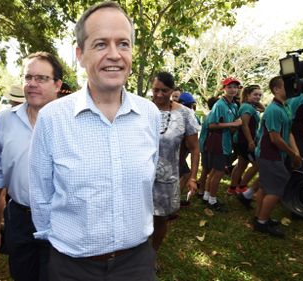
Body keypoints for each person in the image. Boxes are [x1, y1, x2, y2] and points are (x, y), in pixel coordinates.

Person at [28, 2, 161, 280]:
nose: (114, 55)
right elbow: (41, 195)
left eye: (123, 44)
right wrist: (65, 243)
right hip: (72, 267)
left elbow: (148, 181)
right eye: (101, 44)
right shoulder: (52, 118)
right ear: (80, 54)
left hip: (136, 263)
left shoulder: (149, 114)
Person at [0, 51, 63, 281]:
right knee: (22, 274)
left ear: (57, 84)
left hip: (58, 217)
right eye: (28, 77)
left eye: (41, 78)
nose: (32, 84)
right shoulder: (5, 119)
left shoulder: (72, 123)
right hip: (18, 217)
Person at [150, 72, 199, 257]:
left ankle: (152, 254)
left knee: (160, 219)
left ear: (173, 90)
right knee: (136, 218)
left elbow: (195, 148)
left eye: (164, 90)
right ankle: (135, 256)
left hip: (166, 179)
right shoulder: (142, 109)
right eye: (156, 90)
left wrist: (193, 177)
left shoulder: (184, 114)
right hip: (139, 178)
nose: (159, 94)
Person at [253, 76, 301, 238]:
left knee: (266, 187)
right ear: (276, 90)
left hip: (274, 154)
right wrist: (292, 154)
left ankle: (259, 217)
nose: (293, 88)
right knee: (278, 188)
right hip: (269, 154)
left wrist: (296, 152)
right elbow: (275, 138)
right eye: (288, 85)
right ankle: (262, 222)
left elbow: (288, 132)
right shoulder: (273, 110)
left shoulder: (285, 106)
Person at [202, 77, 242, 212]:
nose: (233, 90)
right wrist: (232, 124)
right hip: (218, 141)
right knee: (218, 172)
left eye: (235, 87)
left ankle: (207, 196)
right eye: (229, 87)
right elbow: (212, 125)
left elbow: (237, 120)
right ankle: (212, 201)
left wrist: (236, 124)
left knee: (214, 171)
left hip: (226, 141)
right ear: (224, 89)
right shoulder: (219, 104)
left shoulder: (234, 105)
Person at [229, 85, 263, 208]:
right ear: (247, 95)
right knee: (257, 164)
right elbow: (245, 126)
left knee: (241, 164)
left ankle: (233, 188)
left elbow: (263, 108)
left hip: (243, 140)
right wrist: (250, 141)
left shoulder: (250, 106)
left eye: (260, 95)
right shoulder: (247, 107)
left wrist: (256, 101)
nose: (258, 97)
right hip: (244, 141)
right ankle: (242, 187)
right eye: (255, 94)